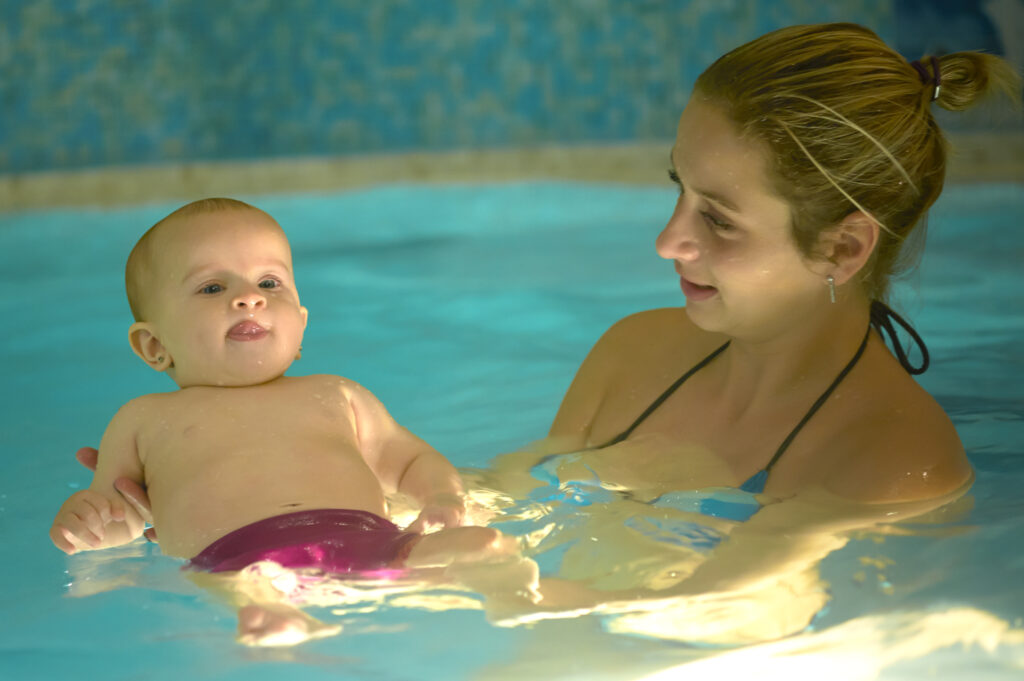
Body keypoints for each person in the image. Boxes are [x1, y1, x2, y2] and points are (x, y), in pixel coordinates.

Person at [73, 23, 1020, 641]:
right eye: (675, 190)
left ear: (845, 247)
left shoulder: (894, 461)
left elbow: (725, 606)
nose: (667, 240)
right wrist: (221, 476)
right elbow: (491, 498)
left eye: (719, 219)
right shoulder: (636, 354)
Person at [51, 198, 531, 646]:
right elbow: (123, 512)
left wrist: (443, 498)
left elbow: (411, 462)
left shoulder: (337, 395)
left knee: (461, 544)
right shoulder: (142, 418)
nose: (248, 299)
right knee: (239, 585)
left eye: (269, 283)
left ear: (301, 323)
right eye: (213, 287)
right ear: (154, 346)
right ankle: (268, 613)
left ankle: (502, 583)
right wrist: (91, 525)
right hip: (237, 557)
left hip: (372, 538)